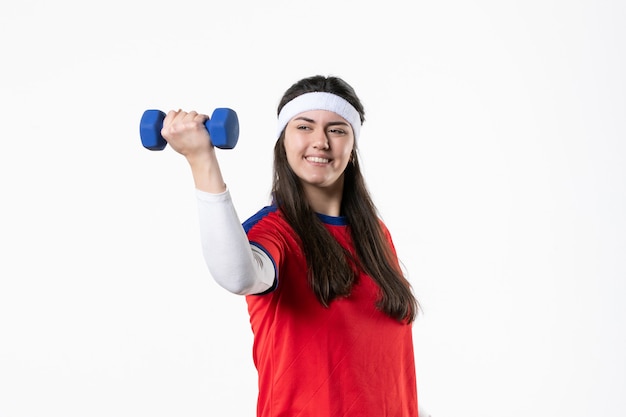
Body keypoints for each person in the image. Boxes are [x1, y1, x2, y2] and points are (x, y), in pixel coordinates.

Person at [161, 75, 425, 417]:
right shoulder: (274, 231)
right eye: (304, 127)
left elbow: (383, 367)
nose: (320, 141)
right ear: (282, 141)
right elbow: (238, 275)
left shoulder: (375, 234)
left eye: (337, 129)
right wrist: (201, 160)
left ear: (352, 147)